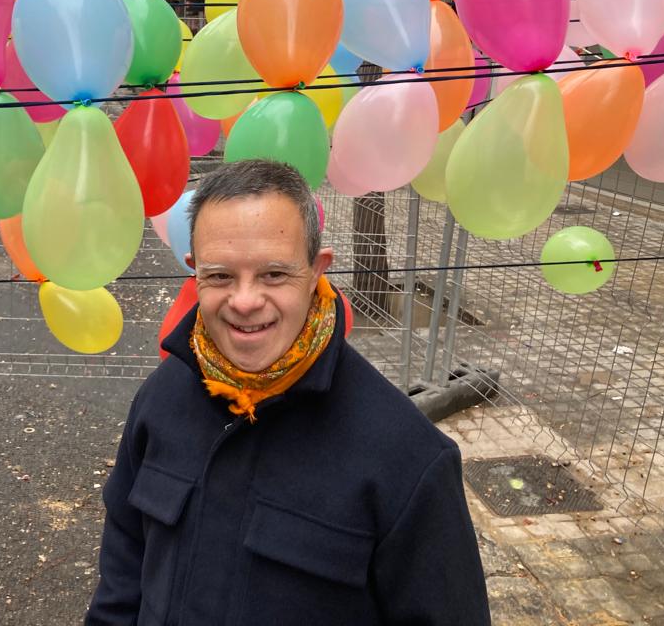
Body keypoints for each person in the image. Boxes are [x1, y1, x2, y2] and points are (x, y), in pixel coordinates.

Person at [86, 159, 490, 626]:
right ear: (195, 272)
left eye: (274, 274)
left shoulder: (406, 457)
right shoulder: (162, 398)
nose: (244, 301)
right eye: (220, 276)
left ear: (317, 269)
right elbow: (123, 567)